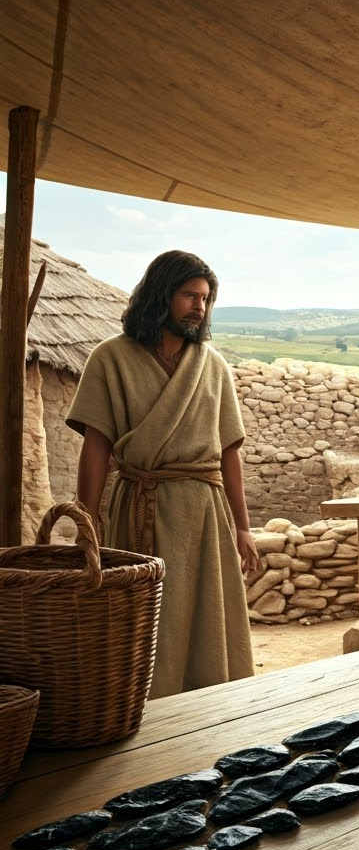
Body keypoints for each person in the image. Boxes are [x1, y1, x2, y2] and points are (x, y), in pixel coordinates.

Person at [66, 250, 257, 699]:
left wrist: (244, 526)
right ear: (161, 294)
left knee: (205, 618)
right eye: (190, 295)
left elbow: (229, 452)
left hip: (202, 514)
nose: (199, 307)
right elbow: (95, 447)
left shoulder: (212, 366)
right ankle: (136, 708)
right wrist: (86, 522)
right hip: (137, 506)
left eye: (206, 299)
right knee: (138, 617)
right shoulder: (110, 358)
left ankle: (207, 709)